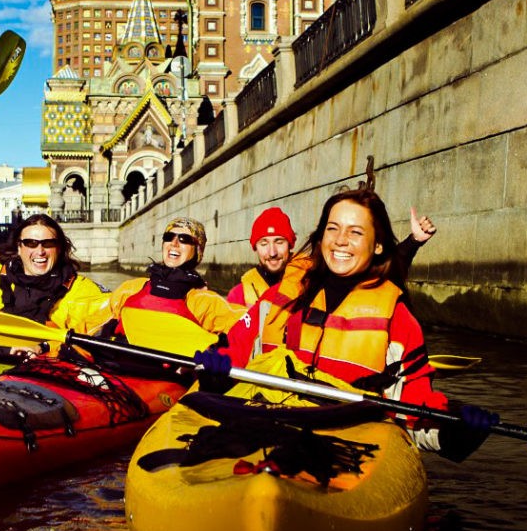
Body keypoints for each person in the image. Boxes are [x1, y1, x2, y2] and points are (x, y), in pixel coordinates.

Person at [201, 188, 499, 461]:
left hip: (348, 440)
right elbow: (239, 344)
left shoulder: (396, 318)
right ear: (321, 236)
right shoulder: (283, 293)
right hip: (270, 421)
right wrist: (216, 370)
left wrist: (456, 427)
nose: (341, 240)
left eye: (355, 232)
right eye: (333, 228)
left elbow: (416, 406)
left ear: (378, 245)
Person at [226, 204, 440, 308]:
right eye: (264, 243)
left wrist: (413, 242)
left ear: (291, 244)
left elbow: (376, 272)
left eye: (279, 242)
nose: (272, 252)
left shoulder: (317, 275)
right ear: (255, 247)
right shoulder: (238, 295)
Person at [76, 216, 243, 341]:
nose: (174, 243)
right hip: (120, 365)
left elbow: (244, 328)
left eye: (184, 239)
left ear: (197, 250)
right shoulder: (132, 288)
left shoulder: (204, 301)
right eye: (169, 237)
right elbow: (91, 325)